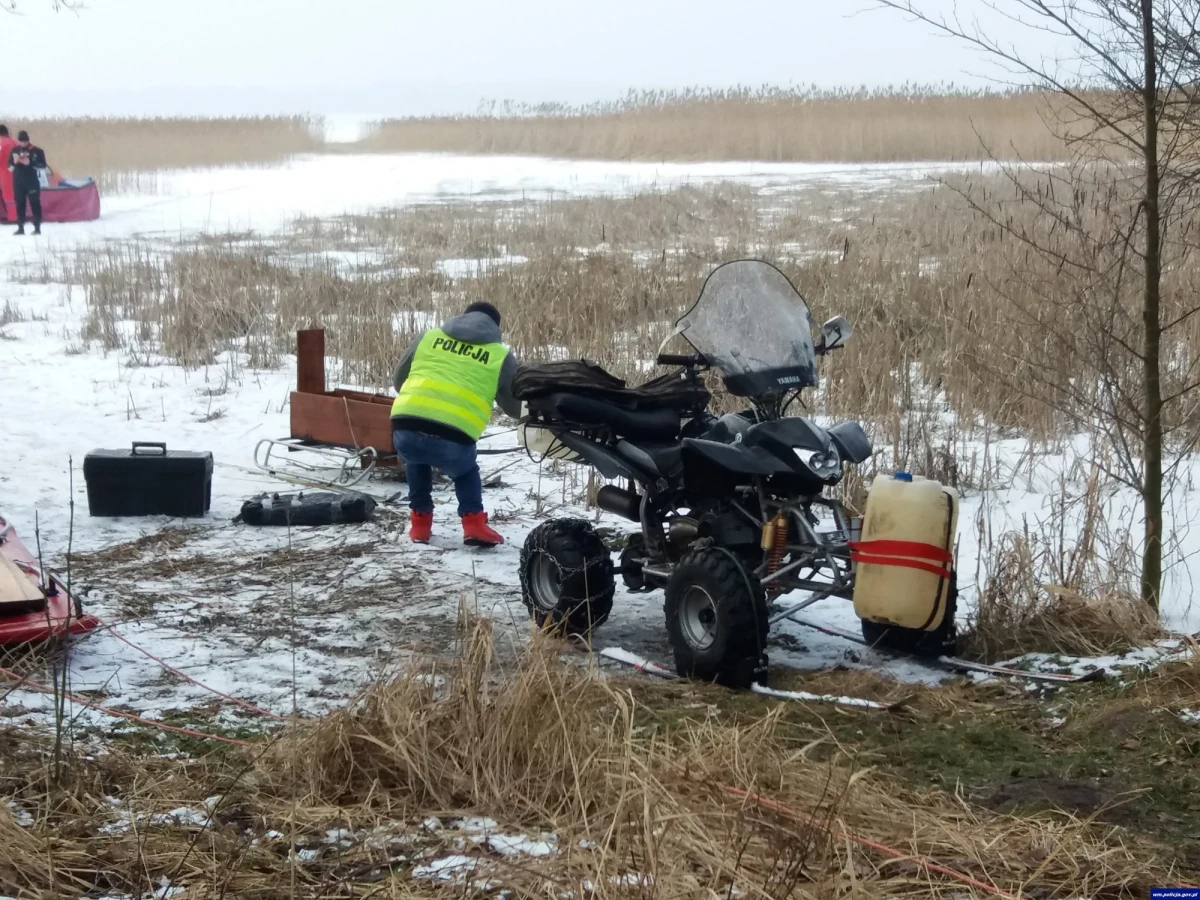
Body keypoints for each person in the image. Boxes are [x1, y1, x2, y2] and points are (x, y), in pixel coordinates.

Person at [390, 301, 520, 546]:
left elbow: (398, 381)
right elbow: (513, 408)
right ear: (495, 327)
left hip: (405, 427)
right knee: (465, 471)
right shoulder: (500, 355)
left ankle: (420, 525)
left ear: (462, 317)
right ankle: (473, 524)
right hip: (455, 439)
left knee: (416, 458)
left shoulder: (428, 337)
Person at [8, 130, 47, 235]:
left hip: (32, 182)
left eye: (25, 141)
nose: (23, 143)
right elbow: (10, 169)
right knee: (20, 205)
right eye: (21, 141)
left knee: (35, 204)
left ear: (28, 140)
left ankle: (37, 227)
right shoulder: (14, 150)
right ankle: (20, 227)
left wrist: (30, 163)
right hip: (18, 182)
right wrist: (15, 162)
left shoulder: (37, 150)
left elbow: (43, 166)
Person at [0, 126, 14, 223]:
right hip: (17, 172)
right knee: (16, 195)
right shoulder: (16, 141)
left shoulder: (2, 143)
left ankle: (12, 218)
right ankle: (19, 216)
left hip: (5, 171)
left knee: (8, 195)